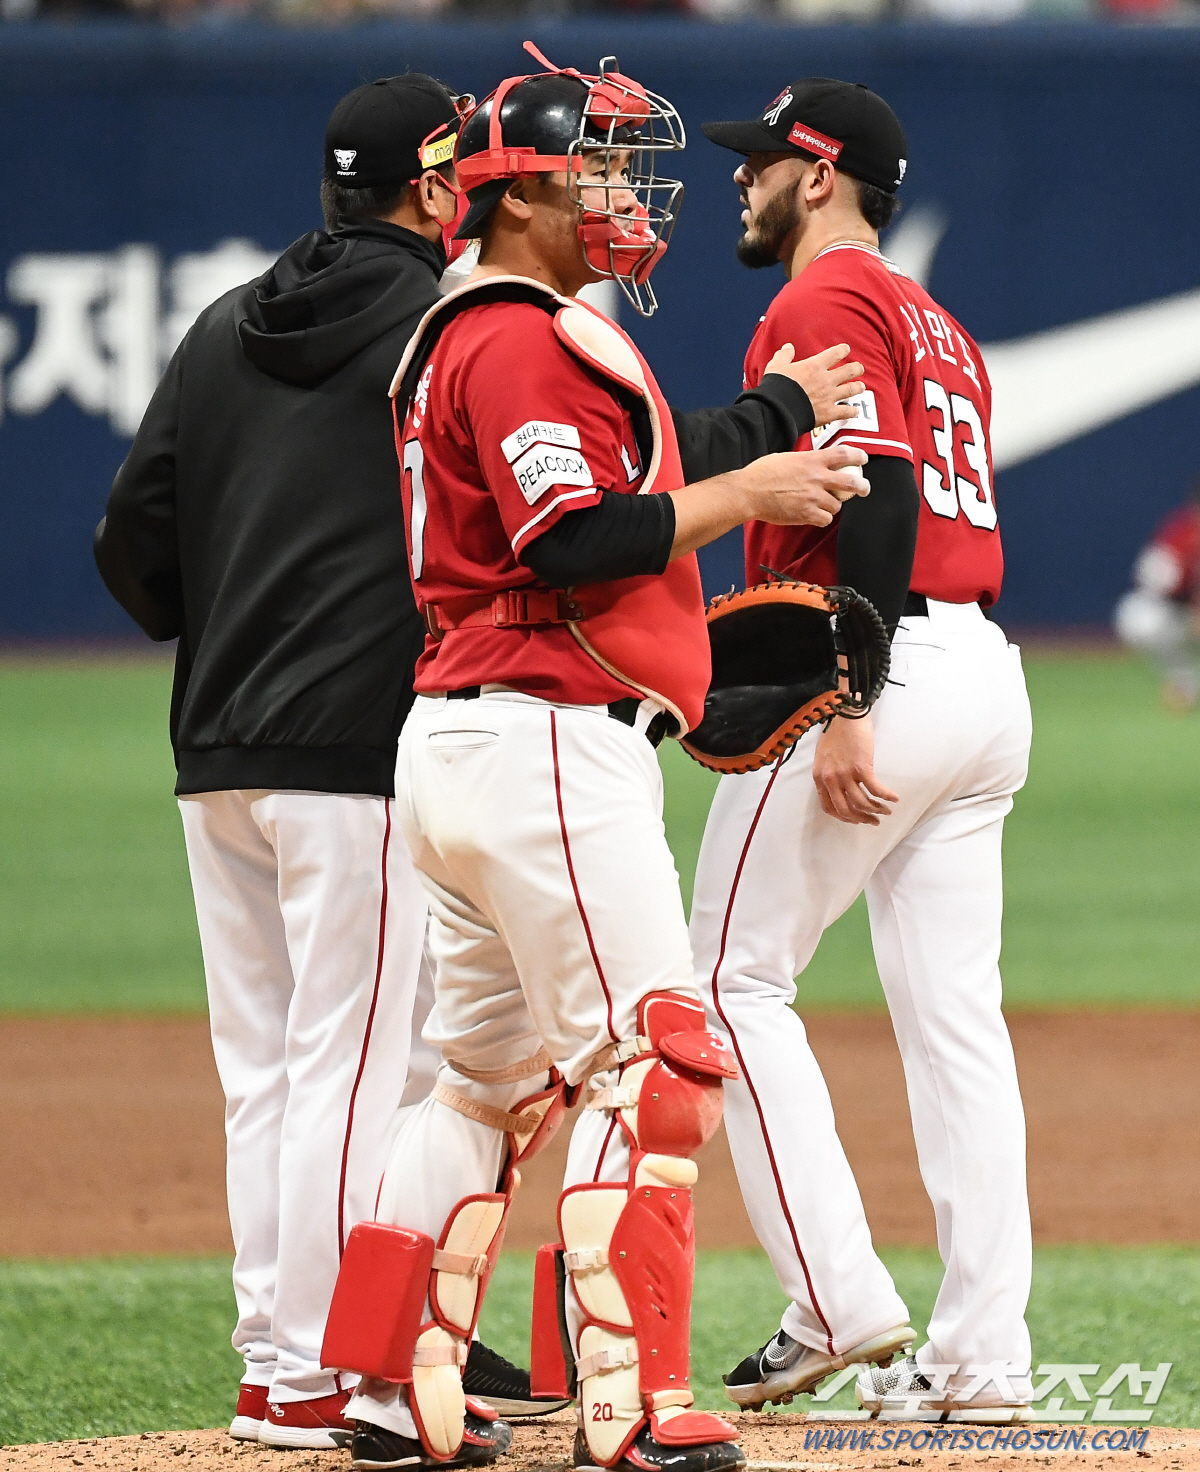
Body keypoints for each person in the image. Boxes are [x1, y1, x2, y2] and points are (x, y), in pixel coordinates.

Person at [318, 51, 871, 1472]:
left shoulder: (487, 330)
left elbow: (610, 491)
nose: (628, 196)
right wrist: (750, 490)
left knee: (479, 1085)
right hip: (546, 744)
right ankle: (631, 1409)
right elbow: (569, 540)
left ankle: (391, 1388)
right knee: (653, 1061)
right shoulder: (513, 333)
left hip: (479, 737)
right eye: (602, 170)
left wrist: (756, 440)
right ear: (518, 194)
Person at [93, 74, 565, 1450]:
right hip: (356, 748)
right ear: (434, 188)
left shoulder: (221, 322)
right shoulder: (449, 327)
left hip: (218, 749)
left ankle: (274, 1358)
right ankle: (324, 1368)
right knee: (359, 1071)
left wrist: (238, 631)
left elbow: (130, 543)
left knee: (268, 1068)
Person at [690, 78, 1036, 1421]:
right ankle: (983, 1362)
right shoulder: (936, 322)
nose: (743, 177)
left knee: (727, 981)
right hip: (979, 671)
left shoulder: (824, 297)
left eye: (765, 160)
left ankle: (833, 1298)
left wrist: (849, 695)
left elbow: (880, 495)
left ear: (821, 176)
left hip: (876, 661)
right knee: (958, 1026)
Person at [1114, 484, 1200, 712]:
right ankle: (1182, 681)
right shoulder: (1181, 534)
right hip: (1179, 614)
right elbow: (1152, 582)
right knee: (1139, 617)